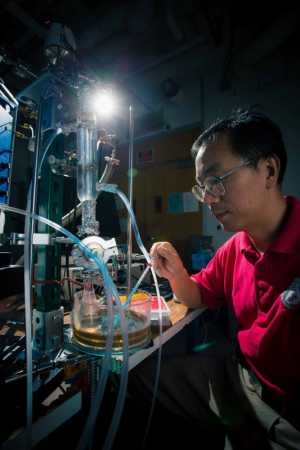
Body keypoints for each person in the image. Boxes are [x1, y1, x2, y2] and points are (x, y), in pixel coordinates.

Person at [126, 107, 300, 450]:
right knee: (129, 382)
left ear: (269, 170)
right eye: (203, 187)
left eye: (217, 180)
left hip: (289, 412)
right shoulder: (236, 247)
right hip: (238, 376)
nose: (207, 198)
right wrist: (176, 272)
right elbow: (198, 296)